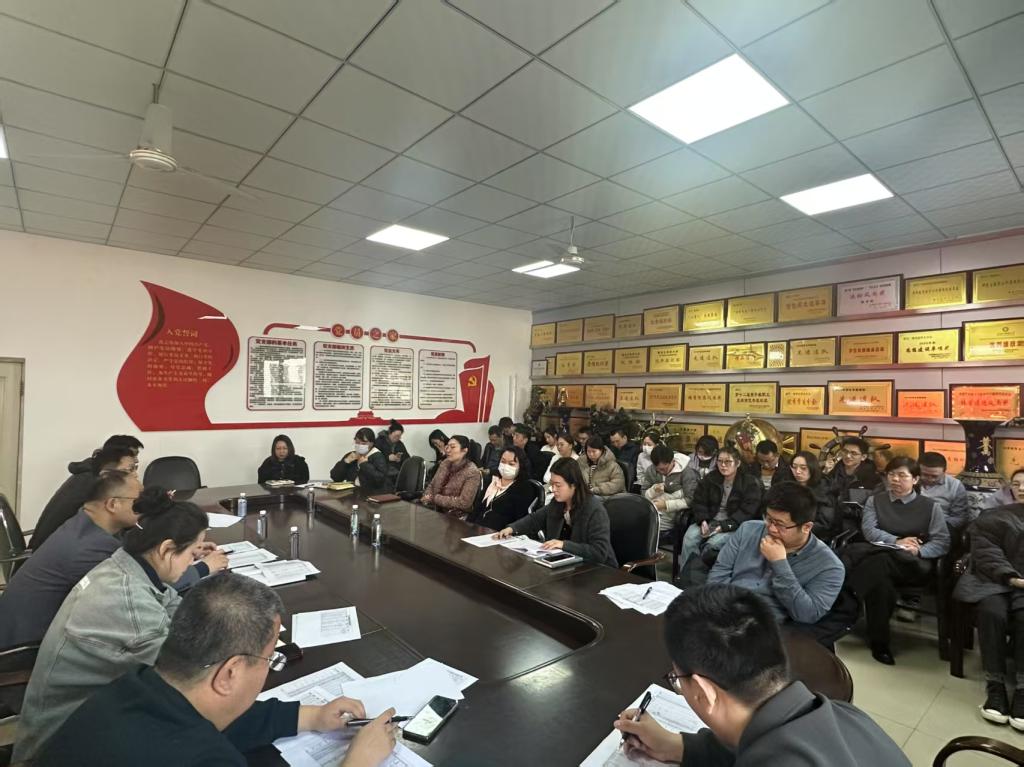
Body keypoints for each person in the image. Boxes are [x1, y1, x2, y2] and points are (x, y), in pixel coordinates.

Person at [37, 573, 397, 767]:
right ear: (230, 673)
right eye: (270, 658)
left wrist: (312, 716)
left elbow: (220, 720)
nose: (269, 670)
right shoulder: (203, 758)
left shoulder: (135, 687)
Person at [612, 584, 910, 767]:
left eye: (677, 680)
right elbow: (756, 743)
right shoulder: (846, 715)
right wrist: (675, 745)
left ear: (704, 692)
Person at [14, 492, 211, 761]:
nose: (192, 562)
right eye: (191, 554)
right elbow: (186, 675)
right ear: (166, 549)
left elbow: (176, 607)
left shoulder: (126, 565)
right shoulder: (129, 601)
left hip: (95, 717)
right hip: (57, 747)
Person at [0, 475, 226, 652]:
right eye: (138, 500)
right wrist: (203, 567)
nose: (145, 505)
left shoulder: (85, 525)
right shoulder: (91, 551)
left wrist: (184, 549)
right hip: (26, 646)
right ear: (113, 504)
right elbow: (153, 585)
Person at [843, 456, 951, 665]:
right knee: (881, 582)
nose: (895, 480)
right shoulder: (876, 501)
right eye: (891, 474)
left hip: (912, 564)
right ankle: (879, 643)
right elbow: (869, 531)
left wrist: (918, 551)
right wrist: (897, 541)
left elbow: (942, 542)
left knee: (877, 562)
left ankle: (845, 608)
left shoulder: (930, 507)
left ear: (915, 479)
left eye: (902, 475)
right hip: (881, 560)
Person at [709, 482, 845, 631]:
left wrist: (779, 564)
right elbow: (718, 574)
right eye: (768, 519)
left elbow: (808, 614)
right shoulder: (748, 530)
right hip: (724, 608)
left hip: (766, 627)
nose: (772, 529)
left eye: (780, 524)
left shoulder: (830, 567)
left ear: (806, 527)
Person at [952, 467, 1024, 726]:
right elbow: (985, 551)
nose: (1022, 488)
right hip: (993, 580)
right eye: (1017, 484)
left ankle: (1022, 689)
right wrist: (1011, 577)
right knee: (991, 612)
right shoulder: (993, 515)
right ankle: (995, 685)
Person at [495, 457, 617, 567]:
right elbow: (535, 519)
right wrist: (512, 529)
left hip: (597, 570)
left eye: (558, 485)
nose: (553, 489)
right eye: (552, 484)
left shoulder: (594, 509)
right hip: (568, 564)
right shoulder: (558, 503)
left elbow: (599, 552)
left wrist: (563, 545)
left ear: (573, 485)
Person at [29, 445, 139, 551]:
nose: (135, 475)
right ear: (106, 471)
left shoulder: (86, 476)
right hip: (55, 550)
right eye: (130, 469)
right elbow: (111, 530)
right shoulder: (92, 485)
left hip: (57, 546)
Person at [682, 446, 762, 565]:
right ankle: (687, 573)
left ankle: (703, 573)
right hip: (710, 519)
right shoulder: (710, 478)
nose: (723, 465)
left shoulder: (749, 483)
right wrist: (703, 520)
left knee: (712, 545)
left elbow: (747, 511)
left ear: (737, 463)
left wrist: (724, 526)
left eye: (728, 462)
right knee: (689, 539)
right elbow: (699, 501)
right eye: (720, 461)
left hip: (733, 524)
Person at [467, 446, 536, 531]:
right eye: (503, 462)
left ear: (521, 466)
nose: (505, 466)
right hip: (476, 529)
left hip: (499, 533)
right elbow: (477, 508)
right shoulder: (492, 481)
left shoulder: (525, 488)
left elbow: (519, 521)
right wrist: (466, 526)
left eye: (511, 464)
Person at [643, 445, 698, 540]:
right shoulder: (651, 470)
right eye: (658, 469)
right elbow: (643, 492)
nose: (661, 472)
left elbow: (691, 500)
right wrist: (654, 490)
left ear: (673, 461)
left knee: (647, 535)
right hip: (652, 510)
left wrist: (666, 505)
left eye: (664, 469)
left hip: (673, 515)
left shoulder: (686, 472)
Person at [421, 435, 480, 517]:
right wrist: (426, 496)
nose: (448, 450)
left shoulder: (472, 472)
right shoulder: (445, 463)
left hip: (456, 517)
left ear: (464, 450)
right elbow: (432, 484)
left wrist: (435, 498)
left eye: (452, 447)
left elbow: (464, 503)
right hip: (436, 510)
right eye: (447, 446)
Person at [787, 450, 837, 541]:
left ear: (812, 468)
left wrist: (796, 531)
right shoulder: (787, 486)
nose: (798, 471)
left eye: (803, 468)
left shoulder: (824, 489)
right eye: (794, 467)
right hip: (787, 531)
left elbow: (824, 524)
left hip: (815, 536)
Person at [918, 451, 971, 530]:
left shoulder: (954, 485)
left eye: (934, 476)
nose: (930, 479)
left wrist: (938, 525)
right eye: (925, 475)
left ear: (944, 472)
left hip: (943, 525)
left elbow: (960, 518)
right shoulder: (909, 480)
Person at [330, 428, 391, 494]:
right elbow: (335, 477)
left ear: (371, 443)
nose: (360, 445)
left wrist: (365, 465)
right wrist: (346, 462)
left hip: (371, 494)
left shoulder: (378, 456)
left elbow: (380, 480)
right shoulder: (352, 455)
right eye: (357, 442)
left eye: (364, 443)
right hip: (352, 493)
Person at [826, 436, 880, 504]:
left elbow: (875, 504)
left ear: (863, 457)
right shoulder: (832, 474)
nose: (848, 456)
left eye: (854, 453)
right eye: (845, 451)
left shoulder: (873, 479)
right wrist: (826, 473)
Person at [544, 432, 578, 503]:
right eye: (557, 445)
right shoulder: (555, 457)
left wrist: (554, 481)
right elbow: (545, 477)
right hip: (551, 487)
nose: (559, 447)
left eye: (562, 444)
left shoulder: (577, 460)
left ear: (570, 446)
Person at [374, 420, 408, 486]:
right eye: (396, 436)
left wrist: (400, 459)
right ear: (390, 433)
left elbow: (407, 458)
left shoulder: (399, 444)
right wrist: (387, 458)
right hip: (383, 472)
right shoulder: (379, 442)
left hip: (397, 472)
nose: (397, 438)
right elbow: (373, 458)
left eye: (399, 436)